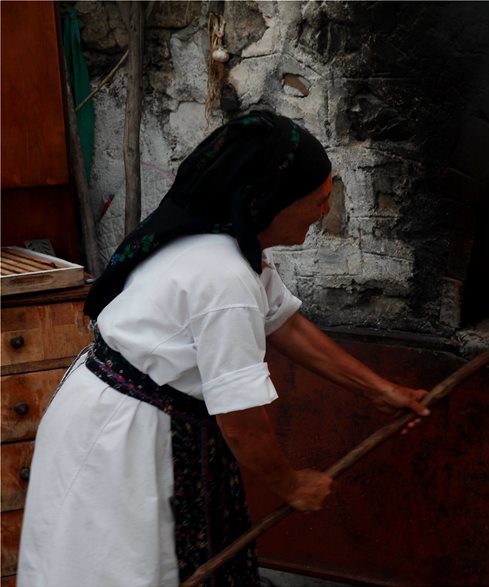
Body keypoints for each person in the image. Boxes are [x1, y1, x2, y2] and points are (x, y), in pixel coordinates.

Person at [17, 111, 430, 587]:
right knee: (122, 568)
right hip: (125, 437)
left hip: (144, 411)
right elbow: (242, 423)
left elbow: (285, 325)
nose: (323, 213)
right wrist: (291, 484)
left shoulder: (229, 241)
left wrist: (380, 391)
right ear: (268, 202)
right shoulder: (223, 277)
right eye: (316, 201)